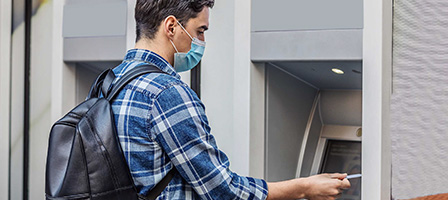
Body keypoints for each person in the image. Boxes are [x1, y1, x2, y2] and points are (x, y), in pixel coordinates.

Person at [110, 0, 351, 199]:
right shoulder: (168, 93)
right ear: (171, 26)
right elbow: (222, 191)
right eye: (200, 31)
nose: (202, 42)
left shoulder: (108, 82)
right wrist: (305, 187)